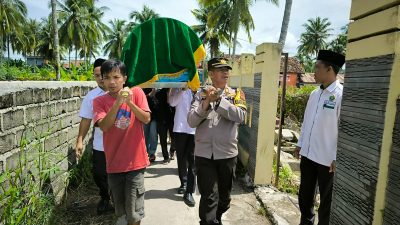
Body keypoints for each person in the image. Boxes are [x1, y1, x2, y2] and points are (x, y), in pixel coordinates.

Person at [187, 58, 247, 225]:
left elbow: (241, 116)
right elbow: (191, 121)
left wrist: (220, 101)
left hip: (227, 154)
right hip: (204, 154)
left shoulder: (236, 93)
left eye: (227, 69)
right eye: (220, 69)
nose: (225, 72)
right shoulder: (200, 94)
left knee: (224, 198)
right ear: (211, 74)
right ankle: (208, 221)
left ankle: (215, 218)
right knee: (209, 195)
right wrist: (206, 102)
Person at [93, 60, 151, 225]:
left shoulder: (137, 93)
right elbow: (104, 126)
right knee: (121, 213)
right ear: (102, 80)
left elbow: (146, 119)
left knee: (134, 214)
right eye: (107, 77)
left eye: (116, 77)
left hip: (135, 164)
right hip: (114, 165)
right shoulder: (99, 102)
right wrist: (118, 103)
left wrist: (129, 102)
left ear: (124, 78)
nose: (112, 82)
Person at [294, 50, 345, 225]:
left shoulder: (340, 95)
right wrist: (300, 144)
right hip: (308, 155)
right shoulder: (315, 94)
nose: (314, 71)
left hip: (327, 160)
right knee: (305, 196)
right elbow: (307, 121)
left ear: (329, 69)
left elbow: (342, 129)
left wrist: (337, 157)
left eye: (317, 67)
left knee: (326, 202)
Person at [75, 58, 112, 214]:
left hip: (120, 144)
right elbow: (86, 120)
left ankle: (119, 200)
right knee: (99, 174)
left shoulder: (121, 92)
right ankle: (105, 197)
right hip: (100, 143)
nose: (100, 79)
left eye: (102, 75)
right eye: (96, 75)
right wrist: (80, 140)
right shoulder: (91, 97)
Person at [168, 88, 196, 206]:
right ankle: (184, 183)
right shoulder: (176, 88)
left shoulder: (196, 89)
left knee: (193, 160)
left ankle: (190, 188)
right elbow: (172, 102)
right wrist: (182, 90)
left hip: (194, 129)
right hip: (180, 128)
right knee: (181, 158)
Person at [154, 88, 175, 164]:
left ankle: (172, 150)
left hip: (172, 119)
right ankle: (165, 157)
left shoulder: (175, 91)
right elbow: (156, 99)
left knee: (174, 137)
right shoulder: (159, 92)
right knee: (163, 139)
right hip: (161, 119)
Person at [143, 88, 158, 162]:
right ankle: (145, 152)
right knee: (145, 135)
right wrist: (150, 95)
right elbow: (140, 100)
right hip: (145, 115)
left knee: (153, 134)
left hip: (155, 116)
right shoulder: (144, 87)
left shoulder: (158, 88)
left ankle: (152, 153)